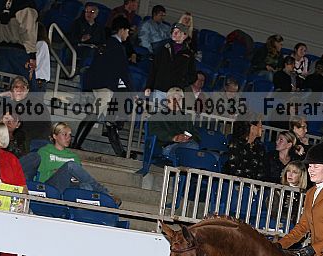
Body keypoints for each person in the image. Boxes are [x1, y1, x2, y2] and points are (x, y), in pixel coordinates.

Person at [74, 16, 132, 157]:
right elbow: (123, 71)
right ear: (122, 30)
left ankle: (121, 153)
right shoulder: (117, 47)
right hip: (105, 87)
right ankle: (75, 144)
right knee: (95, 113)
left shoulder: (106, 43)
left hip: (98, 84)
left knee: (109, 120)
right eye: (127, 31)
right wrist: (131, 90)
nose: (128, 34)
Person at [20, 122, 118, 203]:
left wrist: (73, 178)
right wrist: (57, 172)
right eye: (64, 134)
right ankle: (105, 193)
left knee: (86, 187)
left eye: (70, 135)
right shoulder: (44, 152)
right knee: (70, 166)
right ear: (55, 136)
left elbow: (80, 178)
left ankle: (83, 215)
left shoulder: (73, 156)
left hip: (69, 187)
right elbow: (40, 175)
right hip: (51, 186)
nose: (68, 138)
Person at [145, 23, 195, 104]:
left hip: (176, 93)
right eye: (173, 31)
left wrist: (181, 82)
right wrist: (149, 86)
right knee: (157, 111)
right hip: (160, 89)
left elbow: (193, 75)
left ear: (184, 35)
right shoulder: (162, 49)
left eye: (178, 31)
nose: (174, 33)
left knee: (172, 111)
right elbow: (154, 69)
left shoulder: (189, 54)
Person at [149, 87, 200, 161]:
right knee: (192, 148)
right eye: (174, 99)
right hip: (167, 147)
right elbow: (154, 131)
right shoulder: (157, 117)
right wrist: (173, 138)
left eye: (179, 99)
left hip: (186, 146)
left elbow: (196, 136)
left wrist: (188, 138)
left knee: (196, 148)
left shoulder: (186, 118)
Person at [0, 0, 39, 79]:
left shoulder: (4, 3)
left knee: (1, 82)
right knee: (26, 82)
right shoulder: (26, 5)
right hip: (19, 52)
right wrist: (32, 55)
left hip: (2, 49)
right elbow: (28, 31)